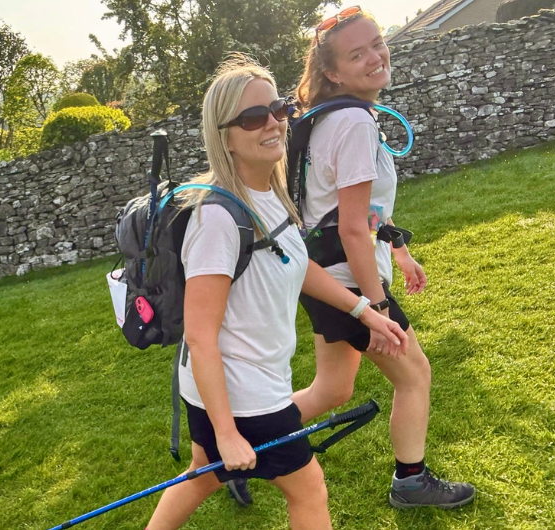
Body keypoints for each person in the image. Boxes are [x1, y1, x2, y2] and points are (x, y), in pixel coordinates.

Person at [145, 55, 409, 530]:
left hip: (220, 385)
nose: (272, 123)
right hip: (243, 392)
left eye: (279, 109)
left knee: (201, 475)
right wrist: (228, 434)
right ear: (223, 134)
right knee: (309, 490)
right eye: (252, 117)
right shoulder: (217, 220)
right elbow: (202, 336)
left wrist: (365, 311)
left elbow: (295, 262)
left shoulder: (270, 192)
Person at [289, 6, 476, 509]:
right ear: (332, 72)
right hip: (349, 280)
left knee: (330, 390)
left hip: (324, 273)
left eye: (376, 43)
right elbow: (350, 226)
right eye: (358, 53)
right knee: (415, 374)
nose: (376, 56)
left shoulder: (335, 117)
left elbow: (358, 212)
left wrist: (399, 247)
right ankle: (410, 482)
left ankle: (232, 446)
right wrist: (378, 309)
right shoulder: (351, 122)